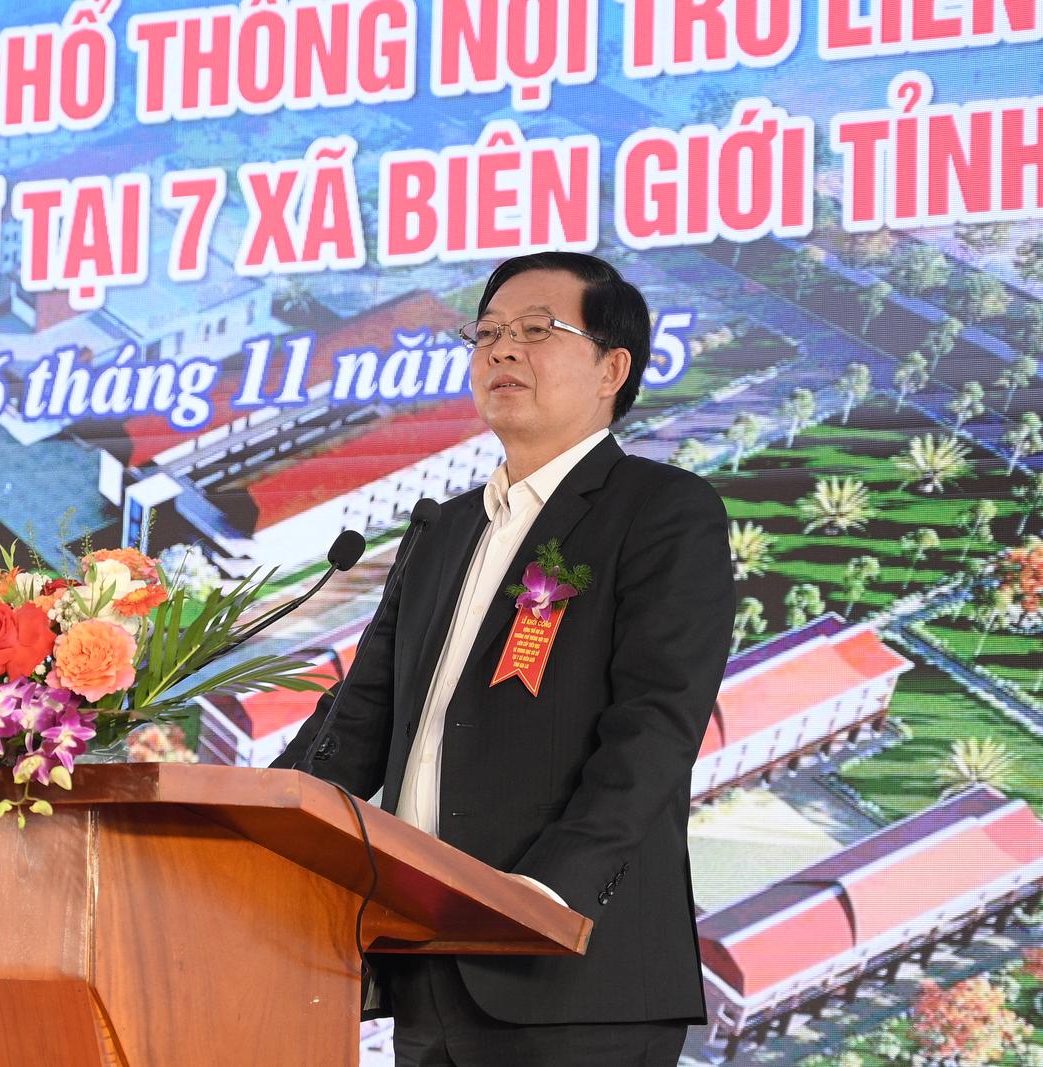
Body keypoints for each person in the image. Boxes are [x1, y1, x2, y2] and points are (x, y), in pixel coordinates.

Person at [272, 251, 735, 1066]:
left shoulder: (661, 510)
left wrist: (543, 897)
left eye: (536, 330)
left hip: (572, 975)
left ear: (612, 368)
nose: (503, 349)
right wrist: (250, 818)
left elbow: (655, 727)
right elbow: (358, 720)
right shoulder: (443, 529)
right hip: (428, 967)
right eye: (486, 333)